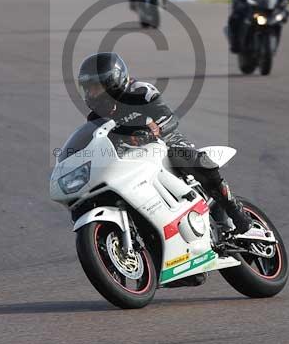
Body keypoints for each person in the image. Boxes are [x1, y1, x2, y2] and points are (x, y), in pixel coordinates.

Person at [77, 52, 253, 235]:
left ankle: (237, 212)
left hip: (165, 143)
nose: (90, 93)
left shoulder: (140, 92)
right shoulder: (95, 118)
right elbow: (96, 142)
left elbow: (168, 117)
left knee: (186, 158)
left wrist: (153, 131)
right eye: (87, 88)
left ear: (111, 82)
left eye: (95, 87)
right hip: (133, 160)